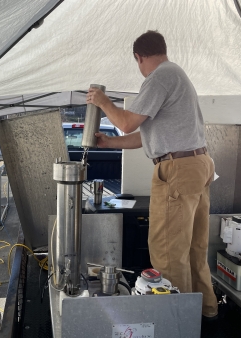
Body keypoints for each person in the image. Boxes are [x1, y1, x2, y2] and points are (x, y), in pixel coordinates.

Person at [86, 30, 218, 319]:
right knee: (194, 248)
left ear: (139, 57)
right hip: (197, 165)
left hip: (178, 170)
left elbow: (127, 124)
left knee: (168, 251)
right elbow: (143, 136)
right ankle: (205, 313)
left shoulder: (159, 77)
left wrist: (103, 102)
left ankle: (177, 326)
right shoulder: (176, 75)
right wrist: (108, 143)